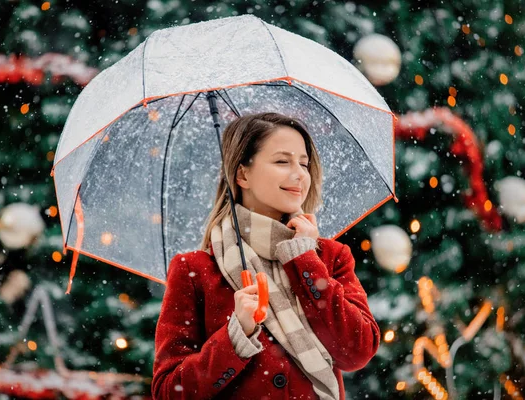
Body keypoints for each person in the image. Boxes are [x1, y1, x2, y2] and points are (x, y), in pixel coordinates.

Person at [152, 112, 380, 399]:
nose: (299, 174)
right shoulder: (195, 270)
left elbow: (357, 351)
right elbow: (169, 391)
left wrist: (304, 259)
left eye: (304, 163)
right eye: (282, 161)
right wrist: (236, 336)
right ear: (242, 174)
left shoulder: (331, 257)